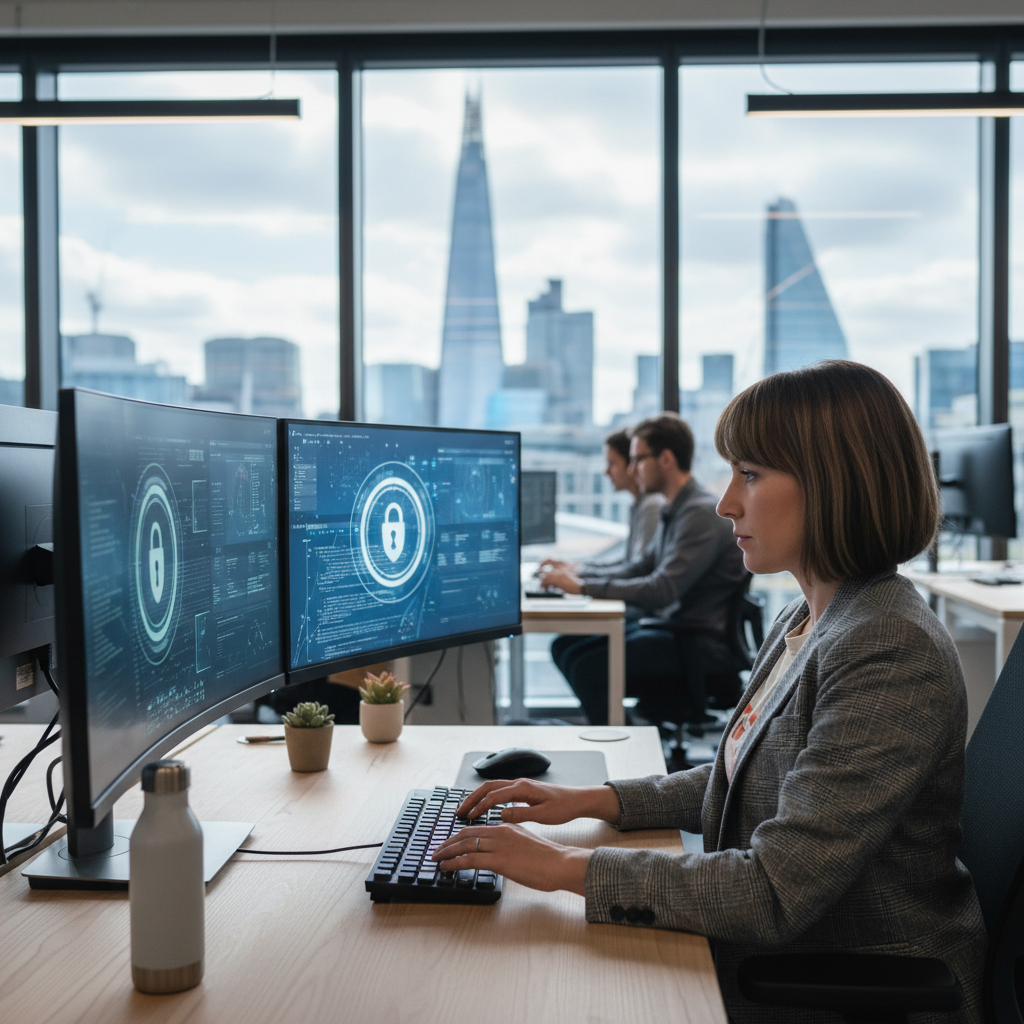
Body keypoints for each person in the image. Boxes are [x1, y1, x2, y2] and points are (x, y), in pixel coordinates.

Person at [433, 361, 986, 1024]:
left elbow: (774, 889)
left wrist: (562, 868)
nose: (726, 503)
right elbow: (743, 772)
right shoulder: (810, 617)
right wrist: (592, 800)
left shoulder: (887, 646)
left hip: (843, 982)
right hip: (785, 954)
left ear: (831, 483)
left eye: (749, 474)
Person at [540, 413, 747, 726]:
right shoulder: (676, 507)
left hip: (696, 646)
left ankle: (622, 743)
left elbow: (662, 590)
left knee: (586, 666)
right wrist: (580, 576)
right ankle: (621, 733)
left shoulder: (699, 513)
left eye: (638, 459)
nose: (632, 469)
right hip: (671, 631)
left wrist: (582, 587)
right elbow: (639, 567)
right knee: (565, 647)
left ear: (666, 459)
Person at [542, 428, 665, 576]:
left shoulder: (652, 506)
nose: (606, 472)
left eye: (612, 464)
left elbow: (636, 573)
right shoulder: (639, 504)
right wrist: (574, 568)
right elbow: (627, 564)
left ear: (631, 464)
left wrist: (580, 580)